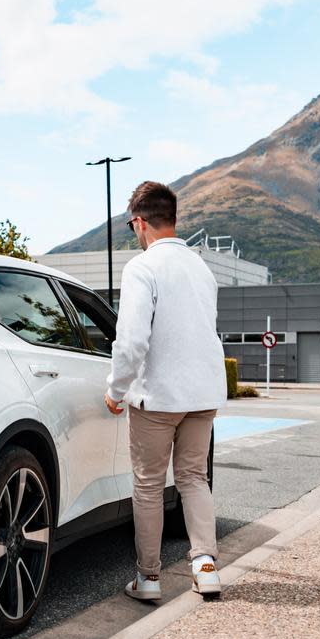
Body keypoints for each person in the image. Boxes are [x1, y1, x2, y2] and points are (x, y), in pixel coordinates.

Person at [105, 182, 227, 602]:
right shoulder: (201, 267)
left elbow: (133, 340)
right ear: (172, 218)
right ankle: (205, 565)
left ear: (139, 222)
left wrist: (115, 390)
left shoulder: (142, 266)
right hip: (203, 393)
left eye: (131, 226)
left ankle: (149, 578)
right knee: (194, 478)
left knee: (149, 484)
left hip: (158, 397)